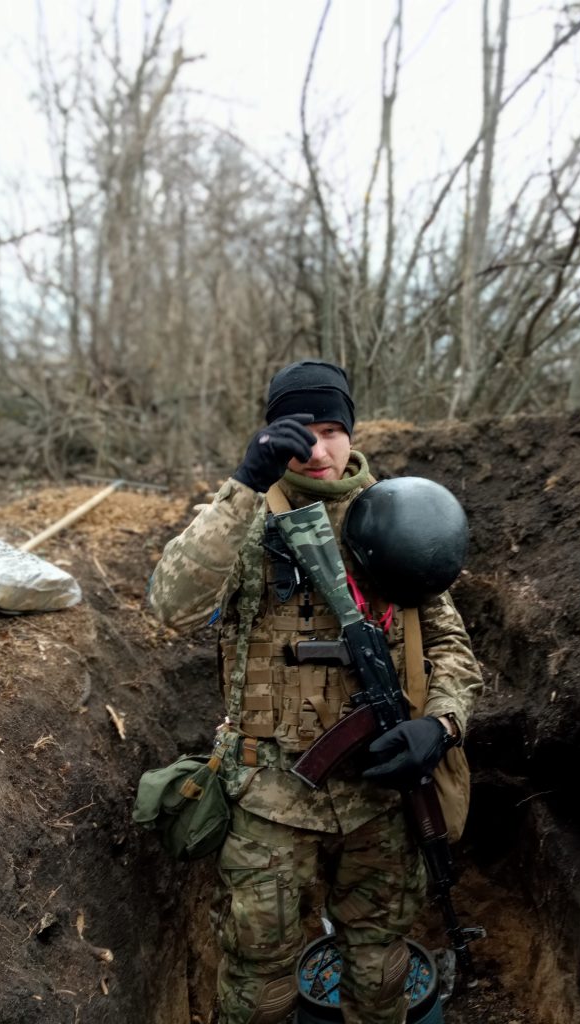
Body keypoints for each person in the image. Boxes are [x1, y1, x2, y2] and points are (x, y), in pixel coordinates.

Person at [148, 360, 484, 1024]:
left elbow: (450, 644)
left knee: (379, 966)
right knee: (257, 978)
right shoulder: (246, 518)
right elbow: (171, 605)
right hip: (269, 803)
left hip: (381, 801)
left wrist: (440, 726)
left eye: (335, 429)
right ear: (274, 431)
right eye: (302, 429)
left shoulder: (401, 517)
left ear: (352, 433)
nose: (320, 447)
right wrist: (244, 485)